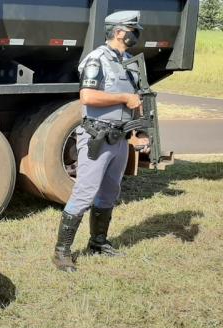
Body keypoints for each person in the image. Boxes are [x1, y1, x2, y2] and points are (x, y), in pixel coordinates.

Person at [52, 11, 151, 273]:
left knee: (109, 192)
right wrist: (122, 98)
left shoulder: (129, 62)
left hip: (119, 138)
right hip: (97, 136)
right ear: (120, 32)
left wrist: (138, 134)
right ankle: (62, 252)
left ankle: (98, 242)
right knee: (85, 192)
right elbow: (87, 96)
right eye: (133, 29)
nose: (136, 34)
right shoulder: (97, 59)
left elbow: (137, 102)